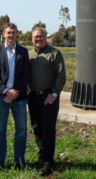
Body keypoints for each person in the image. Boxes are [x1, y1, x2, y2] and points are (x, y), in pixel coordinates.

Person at [0, 22, 30, 169]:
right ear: (3, 34)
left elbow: (26, 75)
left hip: (18, 98)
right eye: (8, 32)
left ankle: (19, 160)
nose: (11, 35)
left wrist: (15, 92)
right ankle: (0, 161)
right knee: (0, 131)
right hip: (1, 98)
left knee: (21, 130)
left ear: (16, 34)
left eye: (13, 32)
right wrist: (6, 91)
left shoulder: (23, 52)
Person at [27, 27, 66, 176]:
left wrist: (54, 93)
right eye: (36, 37)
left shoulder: (54, 53)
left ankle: (48, 162)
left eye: (41, 36)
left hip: (49, 97)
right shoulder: (29, 54)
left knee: (48, 129)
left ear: (46, 37)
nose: (38, 39)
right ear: (32, 39)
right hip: (33, 97)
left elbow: (61, 75)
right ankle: (42, 156)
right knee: (36, 127)